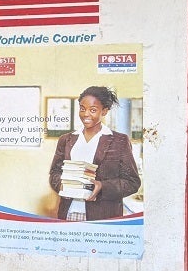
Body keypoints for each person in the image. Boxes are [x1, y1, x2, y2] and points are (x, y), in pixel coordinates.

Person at [49, 86, 141, 221]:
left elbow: (132, 182)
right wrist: (61, 185)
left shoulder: (119, 141)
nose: (86, 114)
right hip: (68, 213)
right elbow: (54, 173)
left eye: (93, 110)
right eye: (82, 109)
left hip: (103, 216)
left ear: (104, 111)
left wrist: (102, 187)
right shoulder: (66, 140)